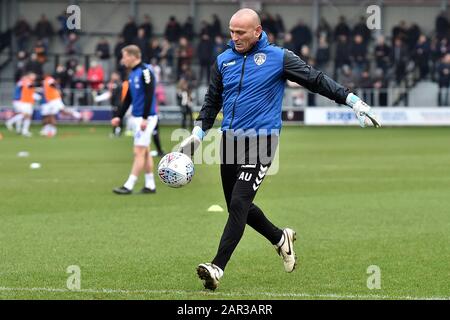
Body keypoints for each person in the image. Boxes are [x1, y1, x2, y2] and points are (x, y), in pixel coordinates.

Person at [178, 8, 380, 291]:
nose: (234, 37)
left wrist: (352, 100)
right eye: (231, 32)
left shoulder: (278, 57)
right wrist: (198, 136)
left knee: (238, 203)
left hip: (262, 142)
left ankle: (217, 267)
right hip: (230, 141)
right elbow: (212, 101)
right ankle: (280, 238)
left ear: (257, 31)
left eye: (240, 33)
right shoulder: (224, 60)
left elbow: (315, 79)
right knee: (240, 208)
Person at [111, 45, 158, 195]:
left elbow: (150, 95)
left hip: (147, 118)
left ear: (133, 56)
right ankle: (150, 185)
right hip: (140, 118)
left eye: (124, 56)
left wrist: (144, 118)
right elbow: (128, 99)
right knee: (145, 151)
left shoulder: (145, 71)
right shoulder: (132, 73)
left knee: (138, 151)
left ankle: (129, 185)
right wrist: (119, 115)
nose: (122, 59)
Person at [5, 72, 37, 137]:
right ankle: (11, 122)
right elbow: (29, 86)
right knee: (25, 114)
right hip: (22, 101)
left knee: (26, 115)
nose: (34, 77)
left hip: (25, 101)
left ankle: (22, 130)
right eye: (33, 76)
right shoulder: (26, 81)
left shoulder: (25, 82)